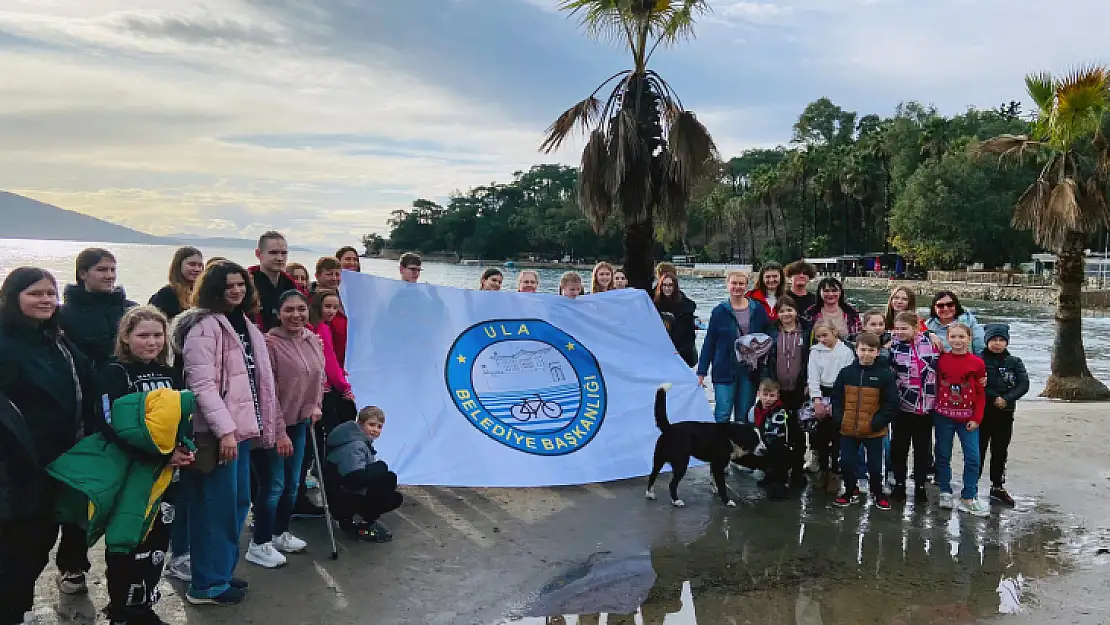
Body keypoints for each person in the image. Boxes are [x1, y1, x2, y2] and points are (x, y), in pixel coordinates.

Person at [172, 260, 281, 605]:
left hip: (243, 432)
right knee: (213, 508)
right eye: (228, 285)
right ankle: (205, 585)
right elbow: (201, 385)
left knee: (236, 503)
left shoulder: (245, 324)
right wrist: (225, 432)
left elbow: (260, 384)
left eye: (240, 285)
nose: (236, 290)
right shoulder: (204, 327)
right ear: (212, 289)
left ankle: (220, 572)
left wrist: (269, 428)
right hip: (220, 434)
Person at [0, 268, 97, 624]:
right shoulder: (6, 343)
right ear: (13, 297)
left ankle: (16, 610)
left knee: (36, 547)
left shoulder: (55, 339)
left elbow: (87, 379)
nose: (45, 300)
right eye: (35, 294)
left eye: (50, 294)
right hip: (17, 468)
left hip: (59, 462)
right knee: (18, 551)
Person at [93, 306, 195, 625]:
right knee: (127, 541)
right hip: (131, 475)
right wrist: (161, 455)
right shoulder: (114, 372)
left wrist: (184, 448)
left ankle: (143, 605)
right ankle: (121, 609)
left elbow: (182, 419)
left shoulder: (170, 373)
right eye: (143, 335)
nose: (151, 342)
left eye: (157, 335)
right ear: (125, 337)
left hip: (165, 476)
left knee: (156, 545)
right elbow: (109, 424)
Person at [249, 290, 326, 569]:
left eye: (301, 309)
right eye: (289, 310)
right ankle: (259, 543)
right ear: (278, 314)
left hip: (301, 423)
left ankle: (279, 533)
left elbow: (321, 377)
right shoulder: (269, 344)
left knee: (293, 485)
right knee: (274, 486)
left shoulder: (312, 340)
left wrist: (316, 405)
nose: (296, 315)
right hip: (272, 426)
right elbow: (266, 393)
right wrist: (279, 432)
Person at [831, 332, 899, 510]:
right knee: (846, 462)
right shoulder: (846, 373)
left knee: (875, 467)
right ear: (856, 349)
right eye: (863, 349)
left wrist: (877, 422)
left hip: (873, 430)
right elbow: (836, 398)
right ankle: (850, 491)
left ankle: (878, 493)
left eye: (871, 350)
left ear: (878, 352)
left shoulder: (885, 375)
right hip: (848, 428)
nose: (866, 354)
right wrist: (840, 418)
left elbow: (891, 404)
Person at [697, 271, 773, 424]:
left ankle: (741, 447)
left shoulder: (757, 309)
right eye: (734, 283)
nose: (737, 287)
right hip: (724, 369)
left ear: (747, 285)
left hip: (750, 370)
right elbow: (709, 342)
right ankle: (720, 447)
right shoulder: (719, 311)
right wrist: (701, 371)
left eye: (741, 284)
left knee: (744, 415)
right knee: (722, 413)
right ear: (728, 285)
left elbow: (768, 336)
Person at [932, 323, 989, 517]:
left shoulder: (977, 363)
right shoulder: (940, 360)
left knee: (973, 458)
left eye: (961, 337)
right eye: (953, 337)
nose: (957, 341)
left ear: (969, 338)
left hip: (968, 419)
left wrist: (977, 418)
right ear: (948, 338)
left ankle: (968, 496)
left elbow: (981, 393)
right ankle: (945, 491)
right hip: (943, 416)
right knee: (942, 455)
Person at [325, 406, 403, 542]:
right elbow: (354, 478)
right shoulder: (355, 445)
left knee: (387, 481)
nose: (375, 430)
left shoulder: (354, 439)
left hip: (338, 494)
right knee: (388, 481)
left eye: (379, 427)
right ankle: (363, 519)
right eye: (371, 425)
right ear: (360, 424)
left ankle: (351, 517)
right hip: (341, 498)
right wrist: (381, 467)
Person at [888, 311, 942, 504]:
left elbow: (944, 365)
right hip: (902, 405)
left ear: (916, 328)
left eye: (905, 328)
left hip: (927, 406)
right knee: (899, 449)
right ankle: (899, 485)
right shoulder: (892, 346)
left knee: (922, 450)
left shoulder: (931, 344)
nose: (900, 332)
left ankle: (920, 487)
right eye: (898, 328)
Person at [59, 247, 138, 366]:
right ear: (83, 274)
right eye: (102, 270)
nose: (110, 275)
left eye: (113, 270)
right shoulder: (63, 314)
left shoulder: (132, 310)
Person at [979, 323, 1029, 508]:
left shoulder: (1014, 362)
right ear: (987, 341)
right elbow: (976, 385)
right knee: (979, 450)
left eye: (1001, 340)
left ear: (1007, 342)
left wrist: (1007, 399)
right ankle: (972, 486)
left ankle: (997, 485)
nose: (997, 344)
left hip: (1005, 413)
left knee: (1000, 450)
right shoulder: (979, 360)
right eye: (993, 340)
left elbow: (1023, 385)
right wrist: (995, 397)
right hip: (983, 412)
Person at [761, 296, 809, 484]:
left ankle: (797, 471)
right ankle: (771, 471)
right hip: (777, 389)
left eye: (790, 310)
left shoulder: (806, 330)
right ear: (777, 313)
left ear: (796, 311)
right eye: (782, 311)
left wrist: (808, 383)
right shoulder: (771, 331)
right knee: (773, 432)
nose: (786, 314)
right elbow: (763, 358)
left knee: (797, 432)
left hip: (798, 389)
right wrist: (766, 383)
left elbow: (812, 358)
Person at [806, 319, 855, 493]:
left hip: (840, 394)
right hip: (822, 393)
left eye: (825, 335)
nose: (822, 340)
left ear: (834, 332)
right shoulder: (815, 352)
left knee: (837, 438)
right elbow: (813, 377)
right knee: (820, 437)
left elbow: (848, 377)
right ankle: (823, 471)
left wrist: (838, 403)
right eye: (818, 336)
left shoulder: (846, 352)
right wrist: (817, 401)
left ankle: (836, 473)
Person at [748, 379, 796, 500]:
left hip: (780, 446)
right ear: (758, 394)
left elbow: (774, 434)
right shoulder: (753, 410)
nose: (768, 399)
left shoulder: (780, 411)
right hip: (764, 443)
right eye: (765, 395)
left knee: (777, 452)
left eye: (772, 396)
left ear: (777, 396)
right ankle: (768, 474)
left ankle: (781, 483)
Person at [249, 231, 303, 332]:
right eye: (273, 253)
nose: (280, 258)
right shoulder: (247, 284)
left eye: (283, 253)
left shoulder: (291, 284)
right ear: (258, 254)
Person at [654, 272, 697, 367]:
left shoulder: (685, 307)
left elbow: (690, 334)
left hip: (681, 351)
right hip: (660, 351)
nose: (667, 288)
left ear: (675, 287)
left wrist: (681, 350)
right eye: (664, 285)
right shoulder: (654, 305)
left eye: (670, 285)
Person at [150, 246, 204, 321]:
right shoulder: (167, 294)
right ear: (178, 266)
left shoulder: (201, 294)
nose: (197, 269)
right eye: (192, 264)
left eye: (200, 265)